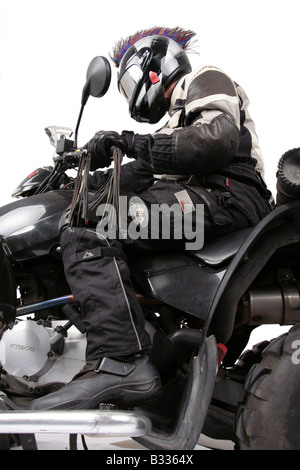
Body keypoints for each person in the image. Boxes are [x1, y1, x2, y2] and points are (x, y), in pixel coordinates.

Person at [29, 27, 273, 410]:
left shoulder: (205, 79)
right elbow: (133, 174)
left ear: (154, 70)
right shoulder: (171, 126)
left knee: (90, 223)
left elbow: (214, 140)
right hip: (200, 200)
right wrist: (68, 181)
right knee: (87, 209)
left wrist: (126, 141)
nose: (132, 96)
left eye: (129, 82)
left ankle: (122, 360)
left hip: (225, 197)